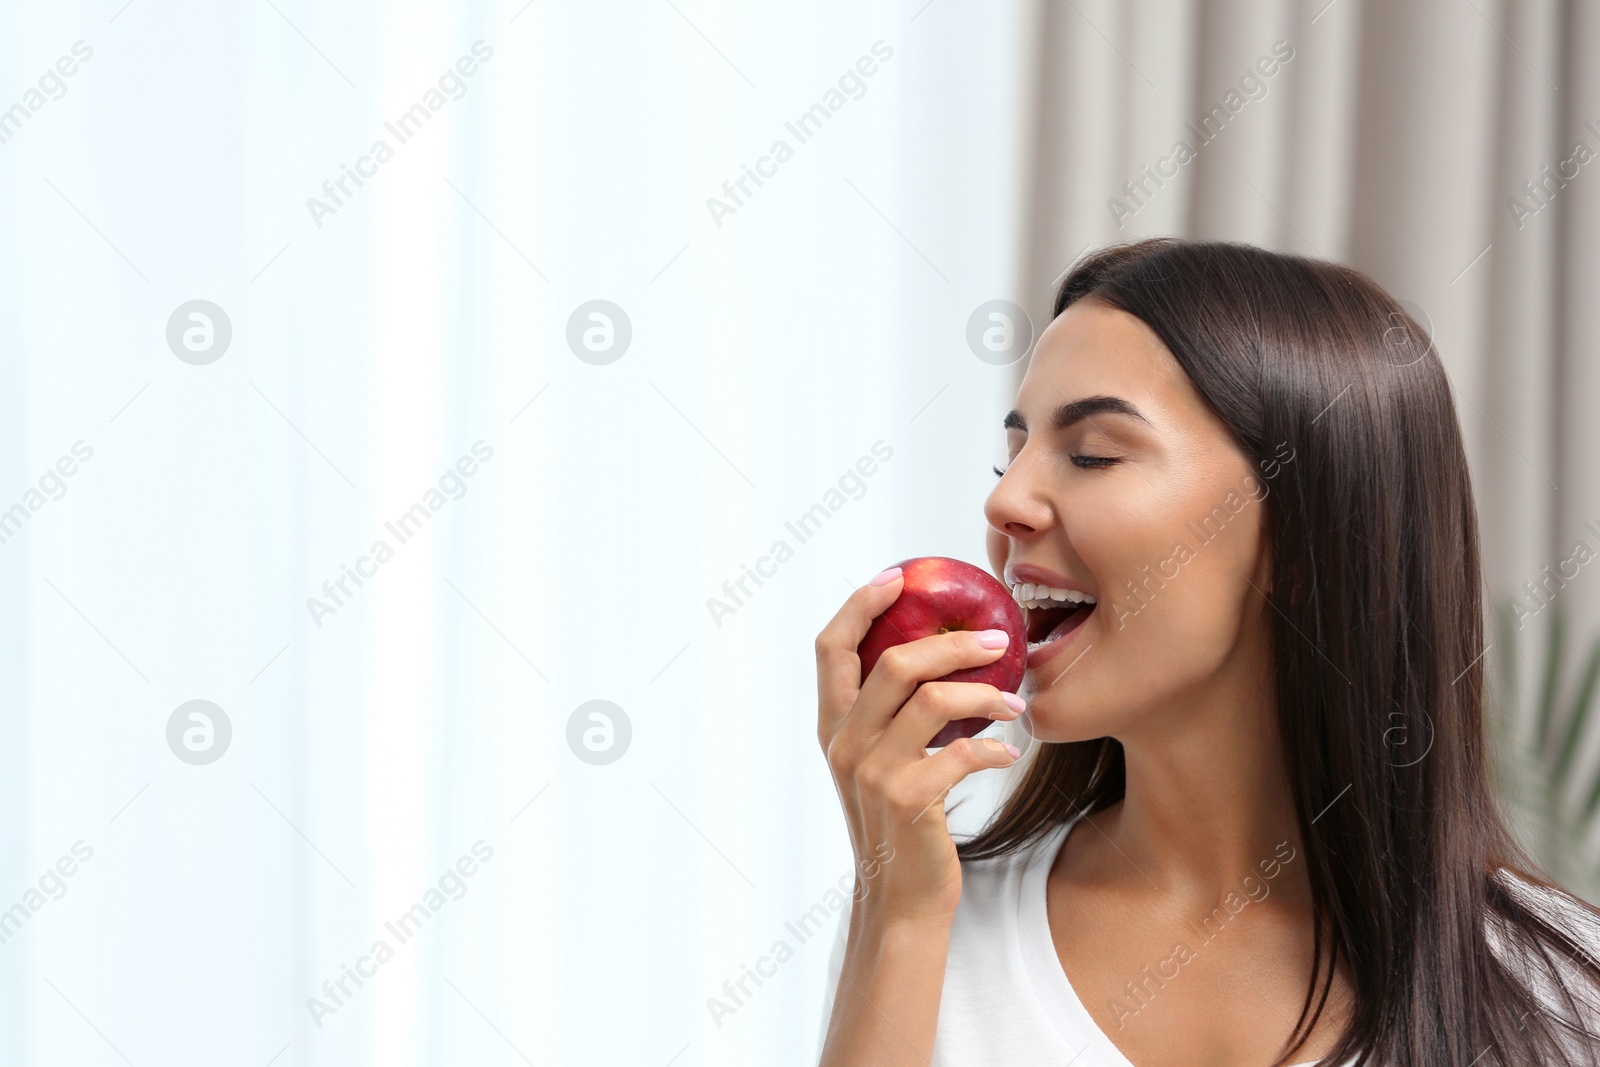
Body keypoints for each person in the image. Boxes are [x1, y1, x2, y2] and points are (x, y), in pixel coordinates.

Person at [813, 238, 1600, 1066]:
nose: (1004, 500)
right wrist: (894, 918)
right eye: (1010, 458)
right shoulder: (927, 927)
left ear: (1302, 537)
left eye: (1092, 455)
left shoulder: (1562, 1000)